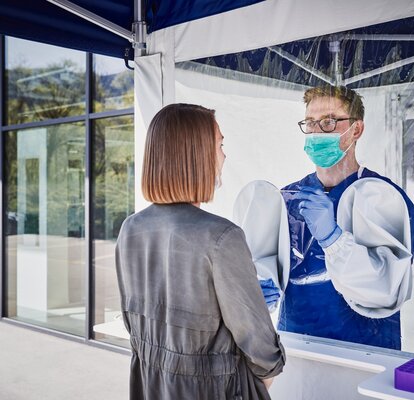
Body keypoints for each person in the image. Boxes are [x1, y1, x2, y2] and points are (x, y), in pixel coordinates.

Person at [115, 103, 285, 400]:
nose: (224, 155)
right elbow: (260, 347)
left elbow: (140, 320)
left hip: (150, 386)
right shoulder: (222, 237)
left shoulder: (130, 229)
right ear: (195, 153)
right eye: (219, 144)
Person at [261, 86, 414, 350]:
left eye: (329, 122)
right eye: (310, 123)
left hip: (366, 352)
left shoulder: (384, 197)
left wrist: (333, 238)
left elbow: (391, 286)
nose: (317, 132)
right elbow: (264, 266)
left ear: (356, 130)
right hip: (297, 350)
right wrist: (257, 286)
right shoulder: (287, 199)